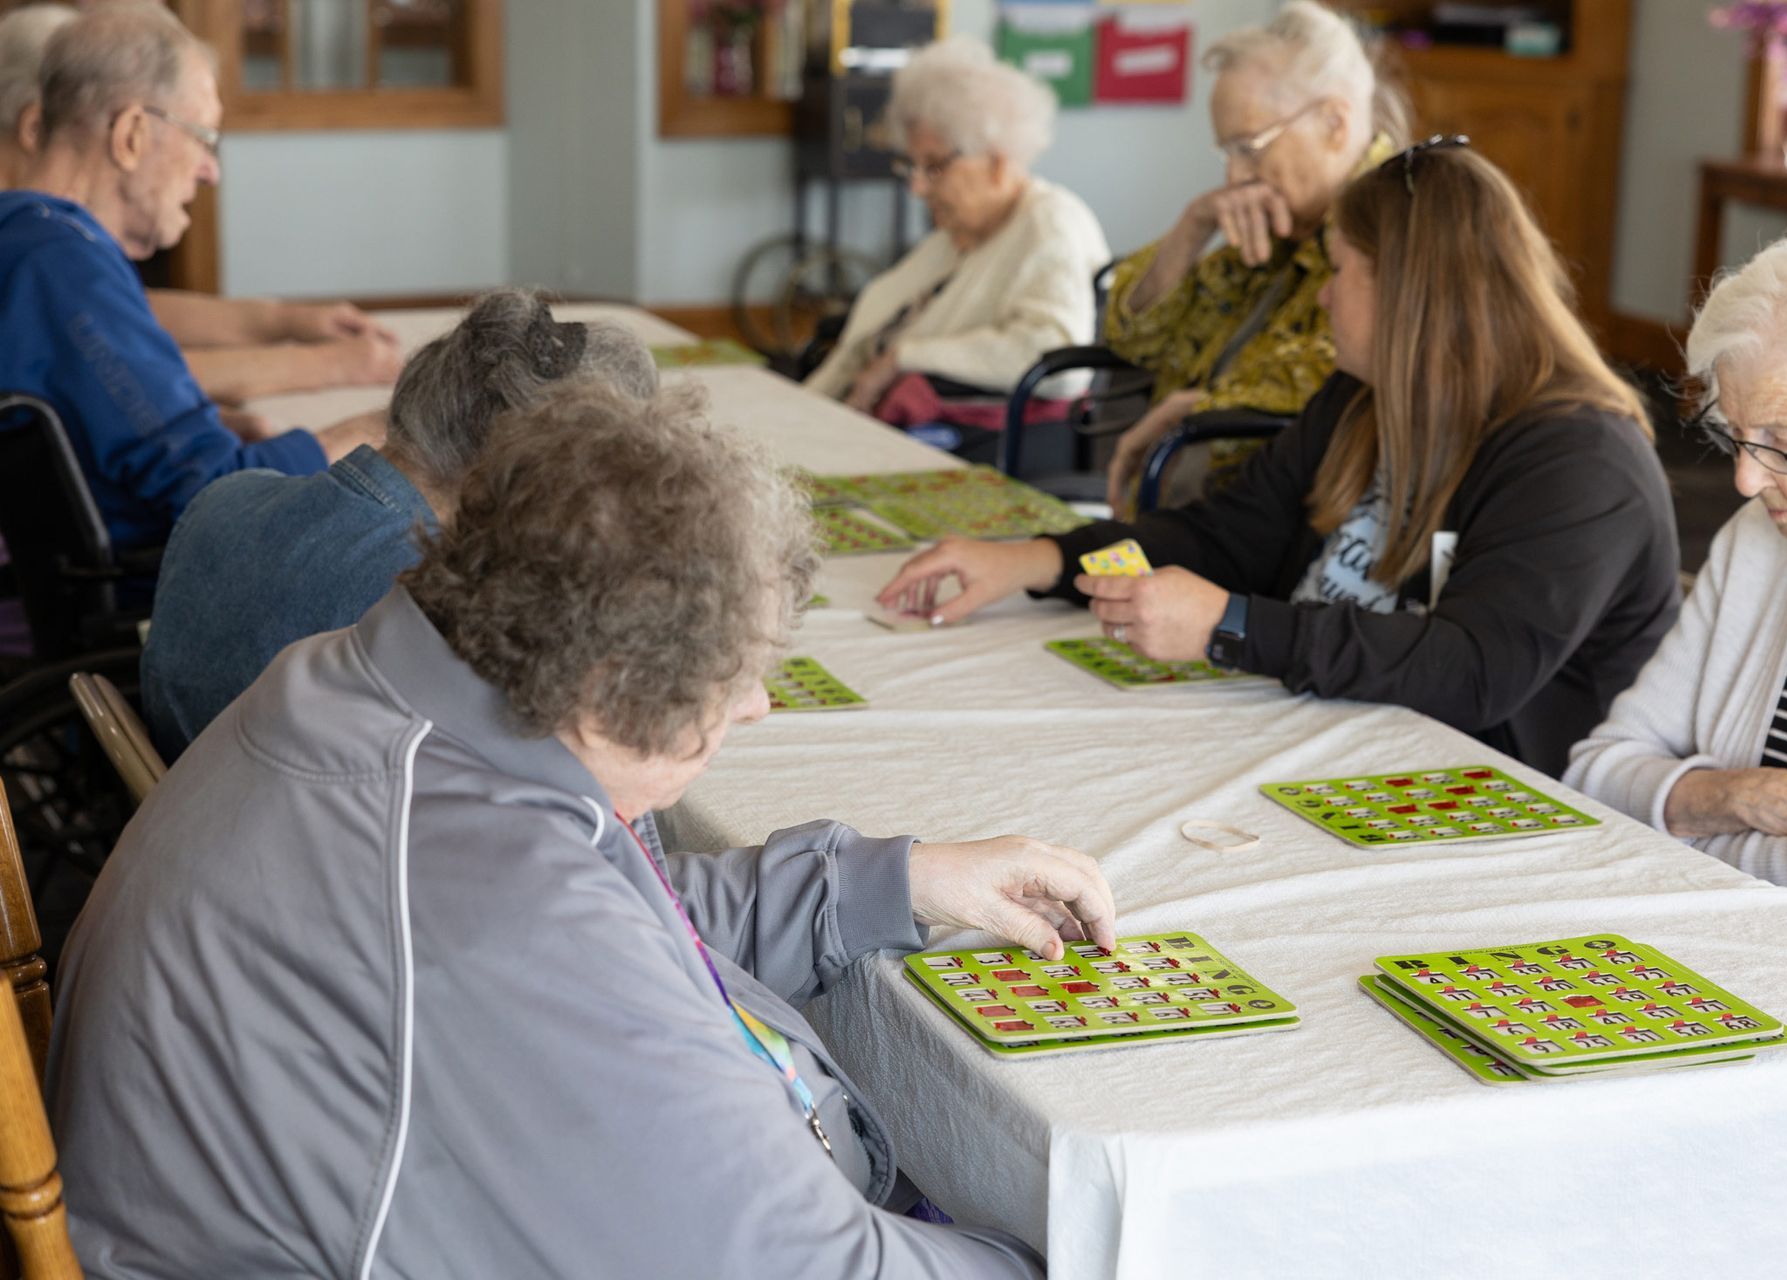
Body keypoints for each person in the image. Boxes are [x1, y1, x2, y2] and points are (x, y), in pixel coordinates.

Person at [47, 382, 1114, 1277]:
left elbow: (615, 926)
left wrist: (894, 879)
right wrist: (1085, 1251)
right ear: (605, 695)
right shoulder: (497, 903)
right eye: (736, 680)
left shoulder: (381, 686)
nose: (756, 710)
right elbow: (805, 1265)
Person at [878, 144, 1679, 777]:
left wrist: (1231, 626)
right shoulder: (1360, 397)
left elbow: (1471, 671)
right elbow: (1221, 538)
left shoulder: (1581, 461)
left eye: (1339, 271)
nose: (1324, 298)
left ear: (1410, 291)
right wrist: (1042, 559)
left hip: (1486, 796)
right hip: (1331, 737)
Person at [1567, 222, 1787, 946]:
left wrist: (1677, 830)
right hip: (1732, 950)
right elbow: (1595, 774)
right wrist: (1718, 796)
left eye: (1784, 444)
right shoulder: (1767, 534)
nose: (1746, 479)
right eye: (1736, 434)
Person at [139, 288, 658, 761]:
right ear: (523, 468)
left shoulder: (225, 497)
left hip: (186, 818)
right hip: (317, 853)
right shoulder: (432, 611)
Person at [0, 2, 380, 555]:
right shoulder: (62, 266)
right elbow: (218, 495)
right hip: (147, 596)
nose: (211, 169)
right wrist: (382, 431)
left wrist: (198, 424)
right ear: (130, 134)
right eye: (202, 136)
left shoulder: (29, 241)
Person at [1103, 1, 1403, 513]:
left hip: (1286, 527)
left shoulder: (1398, 222)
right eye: (1229, 152)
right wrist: (1193, 227)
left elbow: (1349, 372)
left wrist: (1199, 408)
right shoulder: (1269, 220)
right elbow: (1134, 339)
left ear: (1334, 123)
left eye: (1250, 147)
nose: (1235, 177)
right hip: (1182, 505)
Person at [803, 35, 1109, 456]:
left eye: (935, 166)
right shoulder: (957, 235)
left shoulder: (1050, 221)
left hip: (963, 443)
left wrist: (905, 357)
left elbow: (1059, 362)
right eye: (911, 165)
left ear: (998, 160)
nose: (916, 187)